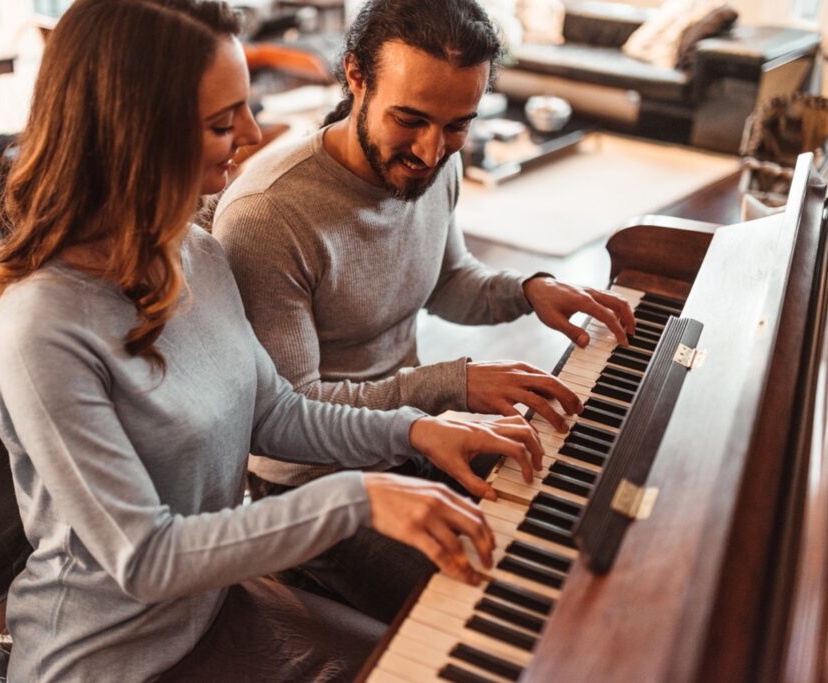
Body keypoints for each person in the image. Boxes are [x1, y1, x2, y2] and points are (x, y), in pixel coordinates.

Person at [0, 1, 548, 680]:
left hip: (214, 607)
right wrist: (357, 497)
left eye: (245, 108)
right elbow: (146, 556)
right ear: (134, 134)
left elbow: (275, 413)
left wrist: (417, 430)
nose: (250, 133)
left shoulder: (196, 253)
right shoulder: (44, 326)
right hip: (106, 658)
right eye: (222, 121)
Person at [212, 0, 637, 623]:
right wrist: (448, 386)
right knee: (497, 605)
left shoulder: (436, 160)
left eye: (458, 124)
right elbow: (289, 414)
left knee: (571, 518)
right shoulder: (270, 215)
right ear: (355, 75)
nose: (432, 151)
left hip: (415, 436)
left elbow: (448, 280)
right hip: (315, 485)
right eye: (409, 119)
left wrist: (529, 289)